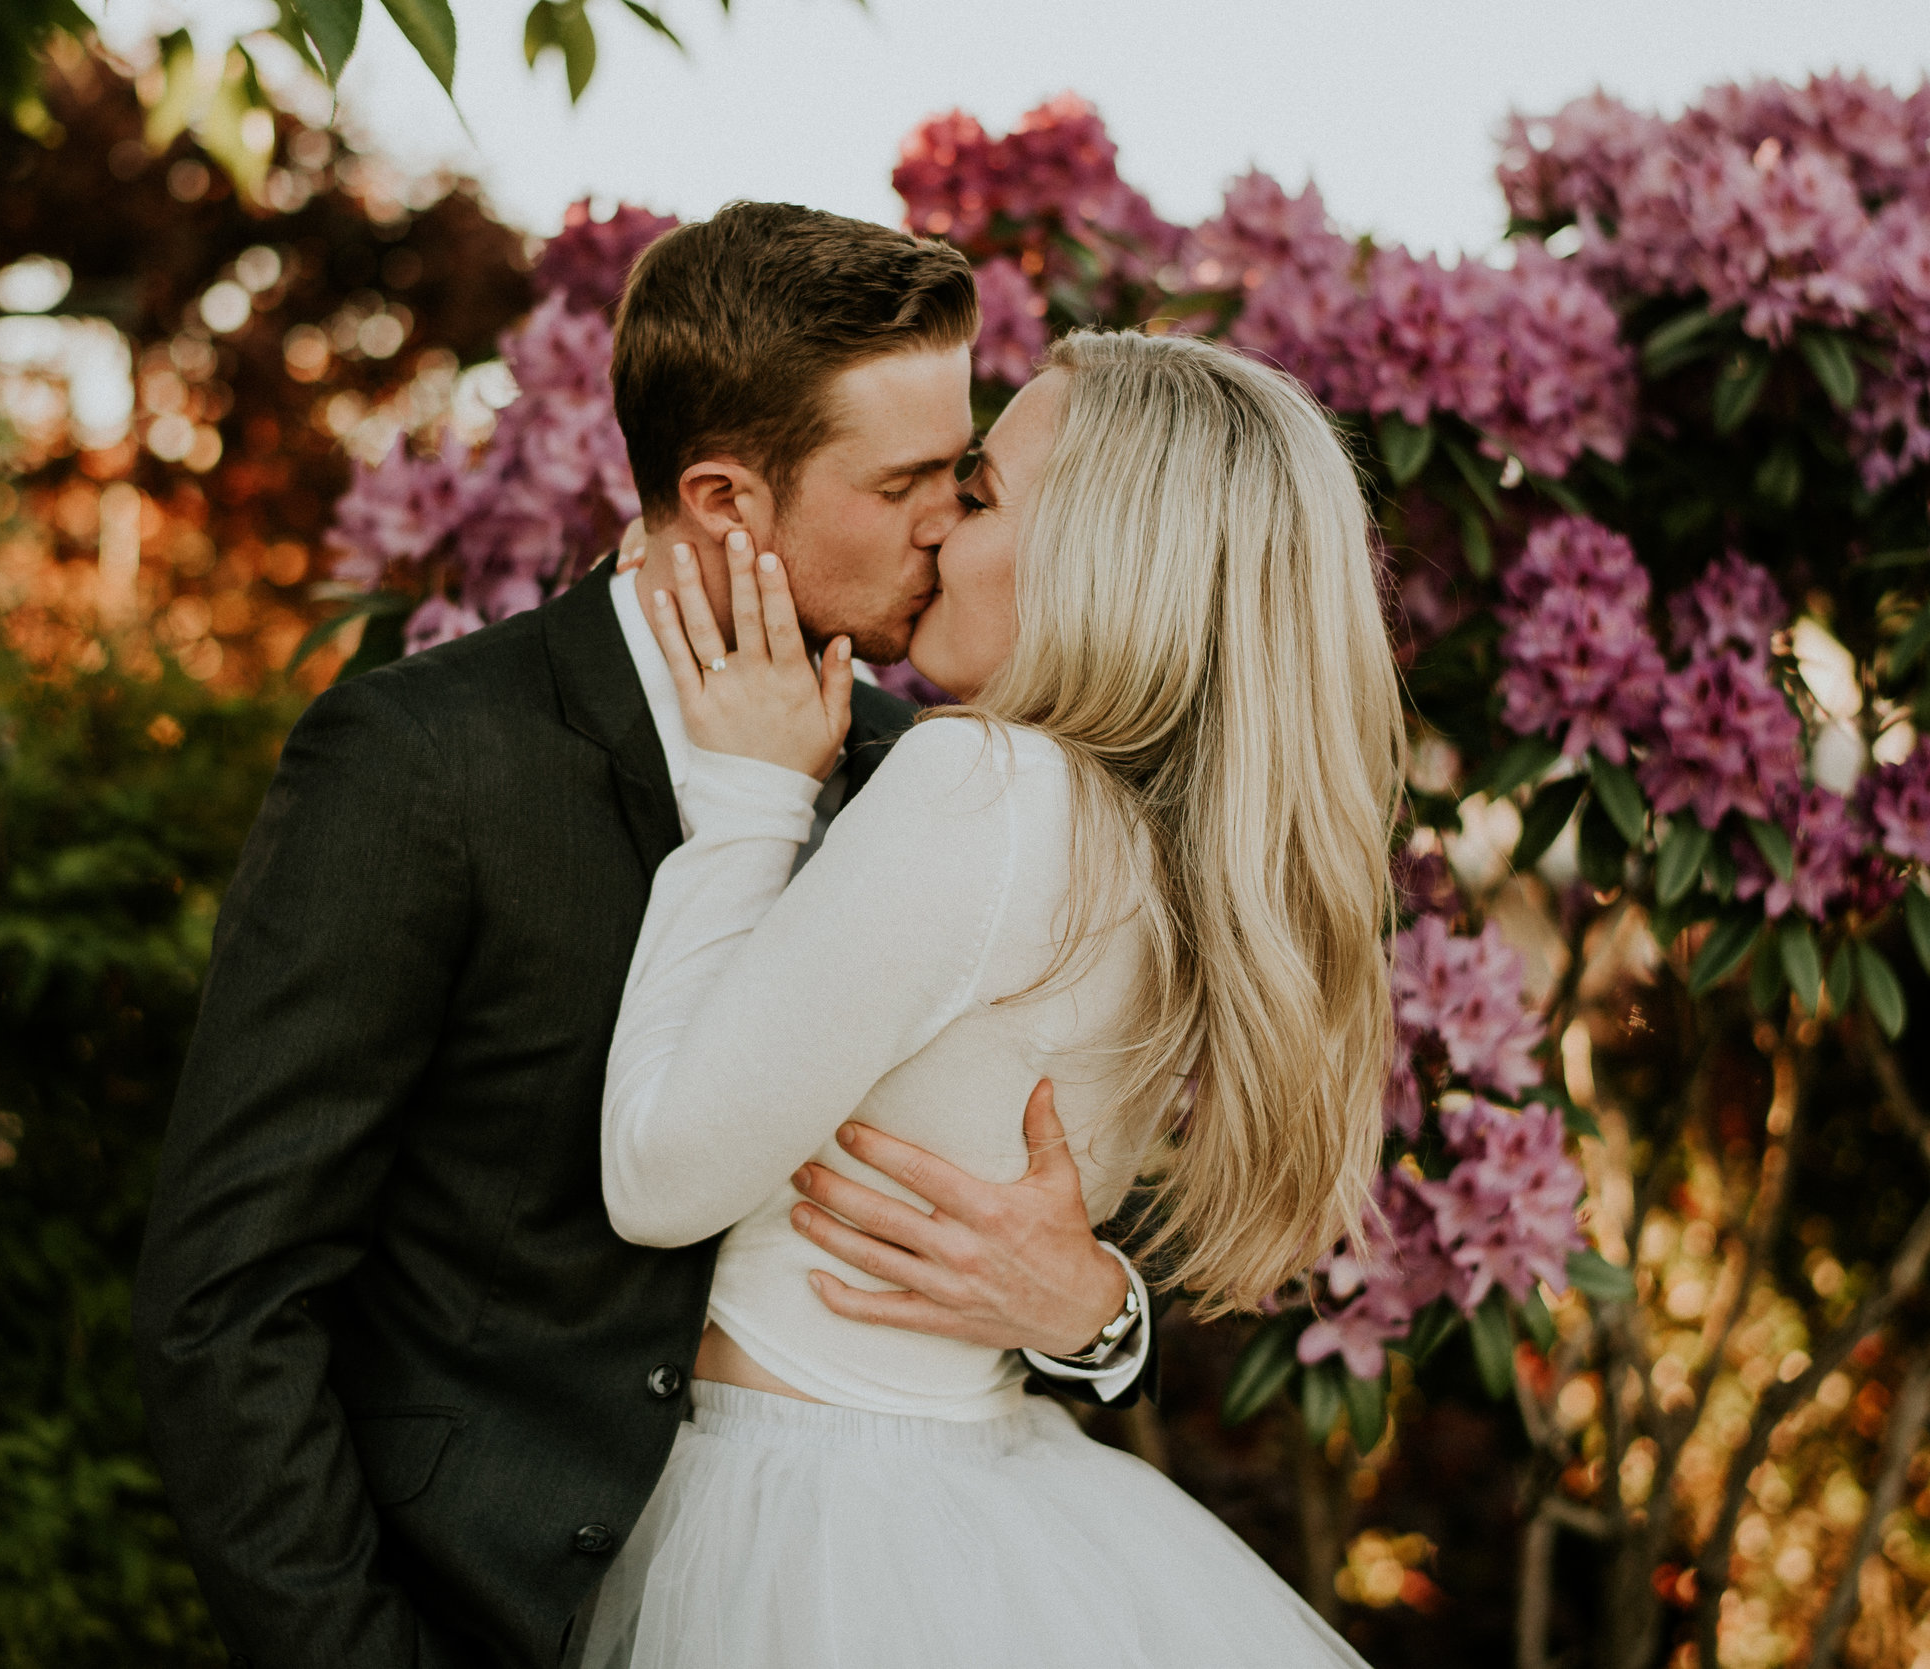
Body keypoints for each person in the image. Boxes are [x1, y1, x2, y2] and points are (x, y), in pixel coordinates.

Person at [131, 204, 1159, 1669]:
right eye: (909, 479)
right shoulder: (422, 762)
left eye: (966, 468)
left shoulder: (922, 779)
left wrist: (1098, 1310)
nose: (952, 515)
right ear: (729, 500)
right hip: (467, 1617)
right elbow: (226, 1301)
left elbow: (1066, 1174)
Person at [583, 329, 1404, 1667]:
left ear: (1099, 557)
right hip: (975, 1489)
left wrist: (748, 795)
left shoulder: (989, 790)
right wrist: (1105, 1318)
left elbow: (660, 1175)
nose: (933, 534)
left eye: (976, 497)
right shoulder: (1160, 833)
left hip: (807, 1518)